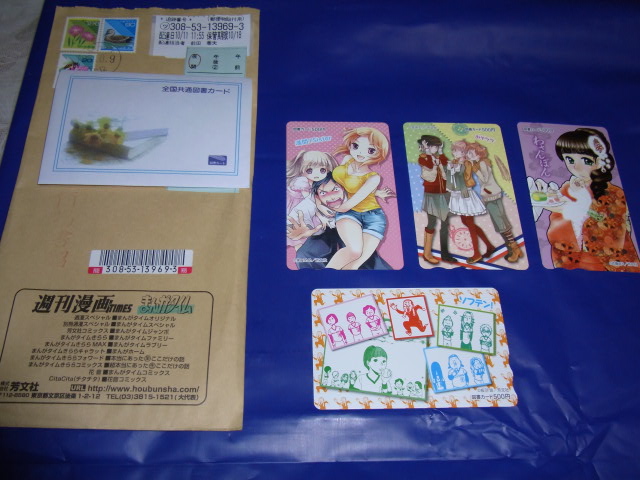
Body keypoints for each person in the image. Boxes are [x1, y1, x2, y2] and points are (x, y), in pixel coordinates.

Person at [531, 128, 640, 271]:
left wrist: (577, 210)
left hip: (606, 263)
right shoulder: (568, 187)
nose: (576, 166)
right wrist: (552, 202)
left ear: (600, 162)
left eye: (586, 160)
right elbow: (558, 218)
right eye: (569, 159)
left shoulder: (615, 193)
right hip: (573, 259)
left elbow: (611, 231)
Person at [287, 172, 393, 269]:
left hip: (351, 227)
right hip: (325, 233)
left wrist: (377, 193)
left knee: (362, 257)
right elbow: (304, 224)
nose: (332, 197)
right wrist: (308, 231)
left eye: (335, 189)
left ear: (342, 188)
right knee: (305, 256)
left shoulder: (350, 198)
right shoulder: (309, 205)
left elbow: (361, 190)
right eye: (323, 193)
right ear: (317, 196)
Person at [326, 127, 391, 270]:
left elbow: (350, 202)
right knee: (354, 251)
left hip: (373, 217)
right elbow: (345, 187)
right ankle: (323, 278)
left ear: (379, 153)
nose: (361, 153)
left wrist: (325, 207)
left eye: (370, 150)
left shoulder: (373, 177)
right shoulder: (347, 159)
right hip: (350, 213)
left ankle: (332, 283)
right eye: (356, 146)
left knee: (354, 266)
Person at [467, 142, 523, 262]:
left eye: (470, 153)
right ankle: (513, 249)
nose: (468, 155)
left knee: (501, 223)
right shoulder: (481, 162)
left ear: (478, 153)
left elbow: (485, 179)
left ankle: (515, 249)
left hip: (491, 196)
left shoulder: (482, 163)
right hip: (492, 194)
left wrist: (475, 170)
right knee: (501, 223)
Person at [447, 140, 492, 264]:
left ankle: (477, 253)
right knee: (466, 222)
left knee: (470, 223)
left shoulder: (466, 163)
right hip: (457, 194)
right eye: (453, 150)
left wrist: (457, 168)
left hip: (465, 195)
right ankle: (489, 246)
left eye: (456, 150)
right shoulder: (454, 162)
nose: (453, 152)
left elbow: (466, 177)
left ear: (463, 152)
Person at [416, 135, 455, 263]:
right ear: (427, 146)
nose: (436, 148)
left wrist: (441, 152)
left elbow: (446, 163)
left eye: (437, 146)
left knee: (445, 224)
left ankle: (445, 254)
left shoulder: (438, 157)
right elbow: (427, 165)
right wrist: (427, 151)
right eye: (433, 146)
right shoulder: (423, 158)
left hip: (444, 194)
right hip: (432, 195)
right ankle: (427, 253)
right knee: (431, 223)